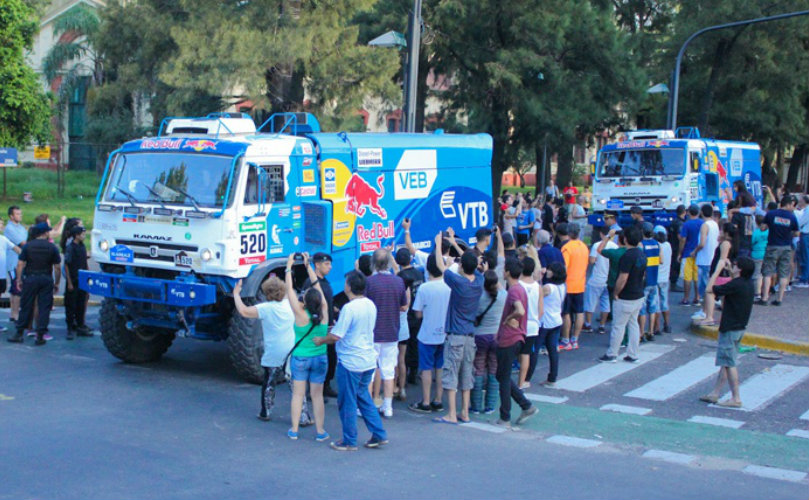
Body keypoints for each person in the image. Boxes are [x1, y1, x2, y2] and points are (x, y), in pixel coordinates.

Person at [313, 271, 387, 451]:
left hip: (350, 362)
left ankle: (349, 440)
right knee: (363, 397)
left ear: (349, 287)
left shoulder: (349, 308)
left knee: (347, 402)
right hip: (368, 360)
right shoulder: (370, 305)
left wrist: (322, 339)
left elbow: (337, 336)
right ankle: (379, 433)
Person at [433, 232, 483, 425]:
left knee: (451, 374)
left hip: (455, 335)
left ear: (461, 266)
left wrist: (439, 245)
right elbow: (472, 263)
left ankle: (451, 414)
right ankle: (465, 412)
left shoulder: (459, 282)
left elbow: (440, 267)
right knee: (466, 374)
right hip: (471, 336)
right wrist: (460, 248)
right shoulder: (478, 282)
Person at [282, 253, 330, 442]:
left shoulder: (300, 314)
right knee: (317, 396)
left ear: (304, 301)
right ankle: (320, 431)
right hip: (320, 357)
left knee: (298, 395)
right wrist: (309, 266)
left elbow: (289, 289)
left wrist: (289, 266)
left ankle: (294, 430)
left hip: (301, 358)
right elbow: (317, 287)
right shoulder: (324, 312)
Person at [233, 275, 294, 421]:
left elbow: (243, 311)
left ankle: (265, 412)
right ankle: (303, 415)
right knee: (295, 386)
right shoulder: (289, 304)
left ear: (267, 293)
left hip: (273, 352)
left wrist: (236, 293)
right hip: (291, 350)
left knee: (269, 383)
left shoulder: (265, 308)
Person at [698, 257, 756, 408]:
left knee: (729, 363)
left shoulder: (736, 284)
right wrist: (731, 271)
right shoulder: (748, 283)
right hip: (740, 327)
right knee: (726, 361)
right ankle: (715, 393)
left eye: (736, 265)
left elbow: (709, 289)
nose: (734, 266)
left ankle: (736, 398)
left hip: (729, 327)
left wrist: (717, 270)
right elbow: (733, 283)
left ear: (741, 269)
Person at [493, 258, 537, 428]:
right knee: (501, 375)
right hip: (516, 337)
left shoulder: (514, 291)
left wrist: (509, 318)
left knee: (503, 378)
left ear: (508, 273)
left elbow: (520, 310)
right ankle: (525, 405)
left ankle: (505, 417)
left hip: (509, 338)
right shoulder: (519, 288)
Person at [365, 248, 408, 419]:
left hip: (373, 333)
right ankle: (388, 407)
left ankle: (367, 406)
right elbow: (404, 306)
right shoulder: (398, 282)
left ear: (373, 263)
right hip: (392, 331)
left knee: (369, 371)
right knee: (389, 371)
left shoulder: (369, 282)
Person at [408, 253, 451, 413]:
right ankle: (438, 400)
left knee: (426, 368)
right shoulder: (448, 287)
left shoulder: (424, 288)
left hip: (427, 333)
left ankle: (425, 401)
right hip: (444, 333)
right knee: (440, 367)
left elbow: (417, 313)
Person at [7, 223, 61, 346]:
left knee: (26, 305)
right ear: (45, 233)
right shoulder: (52, 247)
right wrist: (57, 282)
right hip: (46, 278)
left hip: (30, 278)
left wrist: (19, 279)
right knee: (44, 307)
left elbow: (20, 264)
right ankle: (40, 334)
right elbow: (57, 267)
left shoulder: (28, 247)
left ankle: (19, 333)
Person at [599, 225, 646, 363]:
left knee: (618, 326)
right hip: (638, 294)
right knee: (633, 324)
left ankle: (612, 353)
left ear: (625, 239)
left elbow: (623, 277)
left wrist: (616, 293)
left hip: (626, 295)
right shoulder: (641, 254)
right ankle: (633, 353)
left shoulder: (627, 256)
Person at [470, 269, 506, 414]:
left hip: (480, 336)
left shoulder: (478, 296)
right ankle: (490, 405)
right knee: (493, 370)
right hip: (496, 336)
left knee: (478, 370)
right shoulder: (503, 296)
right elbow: (501, 288)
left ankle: (476, 406)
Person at [303, 252, 338, 398]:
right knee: (317, 360)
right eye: (326, 264)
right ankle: (313, 390)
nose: (330, 267)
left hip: (328, 326)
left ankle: (326, 385)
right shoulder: (310, 283)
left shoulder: (326, 282)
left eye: (330, 264)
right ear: (317, 265)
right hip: (317, 327)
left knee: (330, 357)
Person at [759, 196, 799, 305]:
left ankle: (765, 297)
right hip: (786, 247)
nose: (793, 207)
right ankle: (779, 299)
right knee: (783, 273)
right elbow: (796, 233)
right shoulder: (792, 217)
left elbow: (763, 228)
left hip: (772, 245)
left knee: (768, 272)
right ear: (788, 204)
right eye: (792, 205)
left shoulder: (771, 214)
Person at [395, 247, 424, 398]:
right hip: (418, 315)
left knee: (402, 352)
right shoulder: (419, 273)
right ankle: (413, 373)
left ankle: (402, 379)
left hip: (405, 317)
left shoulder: (400, 277)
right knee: (415, 345)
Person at [696, 223, 737, 325]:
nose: (720, 232)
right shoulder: (730, 242)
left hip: (721, 274)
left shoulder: (726, 243)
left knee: (710, 292)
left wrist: (715, 275)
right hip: (725, 274)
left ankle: (709, 317)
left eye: (722, 231)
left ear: (726, 233)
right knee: (723, 296)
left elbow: (722, 260)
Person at [536, 261, 566, 387]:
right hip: (556, 320)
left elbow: (536, 294)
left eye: (549, 270)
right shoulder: (562, 285)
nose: (547, 271)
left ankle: (526, 377)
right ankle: (552, 377)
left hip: (545, 322)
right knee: (552, 350)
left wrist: (538, 279)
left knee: (534, 350)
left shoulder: (548, 287)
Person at [559, 223, 588, 350]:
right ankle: (575, 339)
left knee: (566, 313)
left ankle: (566, 340)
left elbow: (564, 267)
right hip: (580, 284)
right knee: (579, 312)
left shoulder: (567, 248)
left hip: (568, 284)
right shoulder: (584, 246)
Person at [583, 226, 615, 335]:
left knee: (590, 302)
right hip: (608, 279)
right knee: (605, 304)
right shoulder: (614, 246)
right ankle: (602, 325)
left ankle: (588, 324)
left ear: (602, 234)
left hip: (596, 278)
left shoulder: (597, 245)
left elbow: (591, 261)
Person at [517, 257, 543, 389]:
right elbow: (541, 309)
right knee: (526, 353)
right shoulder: (537, 286)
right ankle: (522, 382)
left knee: (514, 352)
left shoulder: (517, 285)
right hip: (533, 325)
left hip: (518, 324)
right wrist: (536, 319)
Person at [64, 226, 92, 339]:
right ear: (76, 235)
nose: (84, 236)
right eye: (82, 234)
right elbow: (66, 264)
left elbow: (84, 262)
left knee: (81, 303)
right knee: (71, 305)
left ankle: (80, 325)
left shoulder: (82, 246)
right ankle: (70, 327)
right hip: (74, 279)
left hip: (82, 279)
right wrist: (69, 282)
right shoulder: (71, 248)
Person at [638, 222, 660, 342]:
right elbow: (660, 260)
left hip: (645, 280)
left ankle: (641, 332)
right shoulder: (657, 244)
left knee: (642, 308)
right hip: (654, 279)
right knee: (652, 307)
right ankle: (650, 331)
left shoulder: (642, 245)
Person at [694, 204, 719, 307]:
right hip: (712, 257)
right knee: (710, 283)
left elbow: (702, 243)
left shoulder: (705, 225)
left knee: (704, 287)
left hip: (704, 258)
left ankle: (705, 310)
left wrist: (694, 251)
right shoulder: (715, 224)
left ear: (702, 212)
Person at [678, 205, 704, 305]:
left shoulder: (686, 224)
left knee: (687, 277)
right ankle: (697, 297)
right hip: (699, 253)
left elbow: (683, 239)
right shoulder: (702, 223)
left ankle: (686, 298)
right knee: (697, 277)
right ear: (698, 212)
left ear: (689, 212)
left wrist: (680, 252)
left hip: (687, 253)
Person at [5, 206, 27, 325]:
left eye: (20, 213)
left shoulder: (21, 227)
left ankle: (13, 313)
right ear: (11, 216)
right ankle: (16, 313)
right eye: (17, 214)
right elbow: (23, 243)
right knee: (17, 287)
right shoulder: (10, 228)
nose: (20, 216)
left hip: (19, 261)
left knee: (14, 289)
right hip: (14, 262)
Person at [0, 218, 21, 332]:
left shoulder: (3, 239)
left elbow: (17, 249)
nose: (1, 226)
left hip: (1, 275)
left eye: (2, 224)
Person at [654, 226, 672, 334]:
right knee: (665, 302)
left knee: (656, 304)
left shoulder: (656, 246)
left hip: (656, 278)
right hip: (665, 278)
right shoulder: (668, 245)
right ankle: (667, 324)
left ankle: (657, 328)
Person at [751, 215, 769, 300]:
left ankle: (757, 293)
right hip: (766, 254)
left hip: (756, 254)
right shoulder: (768, 232)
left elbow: (752, 242)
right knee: (766, 274)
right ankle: (765, 292)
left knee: (757, 275)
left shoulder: (756, 232)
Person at [668, 205, 686, 290]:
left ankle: (673, 283)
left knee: (673, 265)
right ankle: (673, 284)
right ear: (684, 212)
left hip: (672, 245)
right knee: (676, 265)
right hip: (677, 247)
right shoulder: (680, 223)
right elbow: (680, 237)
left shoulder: (674, 222)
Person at [796, 194, 809, 287]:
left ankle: (804, 279)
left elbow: (801, 222)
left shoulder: (807, 210)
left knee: (805, 256)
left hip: (805, 233)